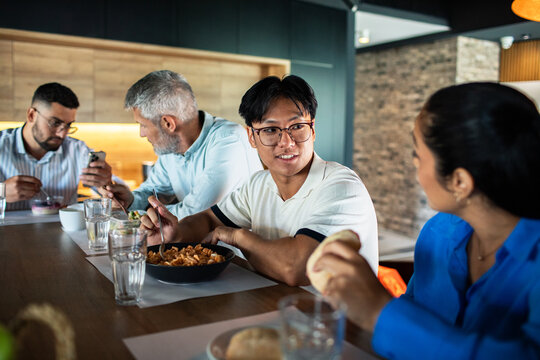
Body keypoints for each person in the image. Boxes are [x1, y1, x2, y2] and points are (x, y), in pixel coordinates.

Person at [311, 82, 540, 358]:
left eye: (418, 155)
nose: (414, 166)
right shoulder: (439, 233)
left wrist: (378, 311)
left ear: (459, 181)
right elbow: (415, 310)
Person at [141, 75, 378, 286]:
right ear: (251, 137)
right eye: (270, 130)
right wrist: (175, 235)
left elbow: (295, 268)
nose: (286, 142)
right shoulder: (258, 184)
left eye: (297, 126)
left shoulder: (341, 187)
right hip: (277, 311)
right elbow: (208, 219)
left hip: (339, 327)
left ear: (313, 130)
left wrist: (238, 236)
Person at [101, 70, 262, 219]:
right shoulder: (171, 149)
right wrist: (131, 200)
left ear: (168, 124)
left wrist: (136, 214)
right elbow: (155, 191)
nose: (141, 134)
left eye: (143, 125)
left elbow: (195, 212)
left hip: (240, 248)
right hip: (199, 245)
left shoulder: (228, 140)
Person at [0, 82, 112, 210]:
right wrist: (1, 192)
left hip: (60, 230)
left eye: (68, 125)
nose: (62, 133)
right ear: (31, 115)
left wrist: (106, 183)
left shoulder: (77, 150)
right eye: (55, 123)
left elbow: (114, 193)